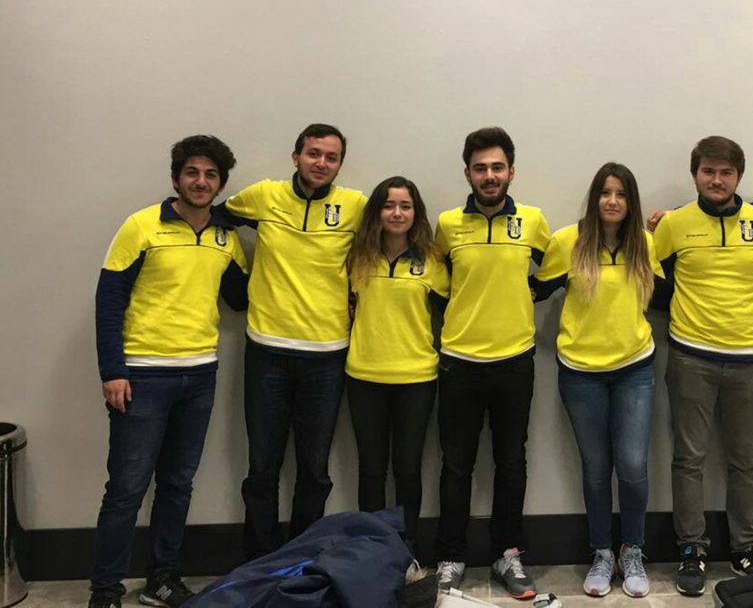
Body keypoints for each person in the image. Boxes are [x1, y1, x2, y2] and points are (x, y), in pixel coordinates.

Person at [90, 135, 248, 608]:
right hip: (141, 377)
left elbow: (241, 298)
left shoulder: (226, 237)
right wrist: (112, 370)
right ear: (176, 178)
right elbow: (108, 301)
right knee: (126, 489)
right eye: (192, 173)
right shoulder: (141, 226)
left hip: (200, 375)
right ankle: (105, 591)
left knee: (178, 485)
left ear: (221, 183)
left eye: (211, 175)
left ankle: (163, 578)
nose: (201, 182)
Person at [650, 136, 753, 597]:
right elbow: (651, 285)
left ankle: (747, 548)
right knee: (688, 459)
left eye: (726, 172)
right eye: (708, 171)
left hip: (749, 360)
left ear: (738, 177)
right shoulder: (673, 224)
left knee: (746, 462)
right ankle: (691, 548)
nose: (716, 180)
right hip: (691, 358)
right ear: (695, 175)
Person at [222, 124, 367, 559]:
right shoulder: (263, 196)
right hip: (266, 351)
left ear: (340, 164)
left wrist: (361, 295)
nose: (321, 163)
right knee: (262, 468)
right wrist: (237, 286)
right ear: (296, 156)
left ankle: (303, 559)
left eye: (331, 157)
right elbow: (213, 221)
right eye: (313, 153)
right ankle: (260, 561)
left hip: (327, 355)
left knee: (315, 470)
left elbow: (390, 242)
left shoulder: (356, 206)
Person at [532, 162, 664, 599]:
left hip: (634, 368)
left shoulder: (645, 244)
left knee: (632, 464)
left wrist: (671, 223)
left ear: (631, 202)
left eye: (621, 194)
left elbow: (666, 294)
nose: (612, 201)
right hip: (580, 372)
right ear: (594, 198)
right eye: (605, 193)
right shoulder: (567, 242)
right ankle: (602, 552)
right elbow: (535, 289)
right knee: (595, 468)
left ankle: (633, 550)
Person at [433, 127, 551, 600]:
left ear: (511, 172)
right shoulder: (447, 225)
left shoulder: (532, 221)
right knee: (455, 466)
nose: (489, 176)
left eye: (497, 167)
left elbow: (555, 268)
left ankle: (507, 554)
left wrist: (534, 291)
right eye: (480, 168)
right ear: (467, 173)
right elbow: (435, 287)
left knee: (511, 462)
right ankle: (451, 557)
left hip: (515, 360)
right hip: (459, 362)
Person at [345, 176, 450, 550]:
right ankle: (371, 550)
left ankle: (407, 550)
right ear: (377, 212)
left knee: (407, 468)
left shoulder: (432, 261)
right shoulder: (356, 257)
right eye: (389, 205)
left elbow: (452, 309)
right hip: (364, 375)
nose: (397, 213)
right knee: (371, 468)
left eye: (405, 206)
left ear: (416, 213)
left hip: (416, 378)